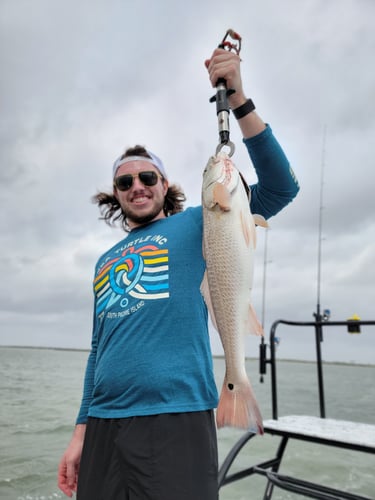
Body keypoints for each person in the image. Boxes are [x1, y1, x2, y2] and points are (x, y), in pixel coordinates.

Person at [57, 47, 299, 500]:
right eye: (125, 182)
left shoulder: (200, 222)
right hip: (105, 425)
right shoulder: (103, 261)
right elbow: (97, 350)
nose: (138, 187)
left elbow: (283, 187)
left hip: (177, 415)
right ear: (116, 194)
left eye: (148, 178)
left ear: (165, 186)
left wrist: (241, 102)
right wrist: (80, 431)